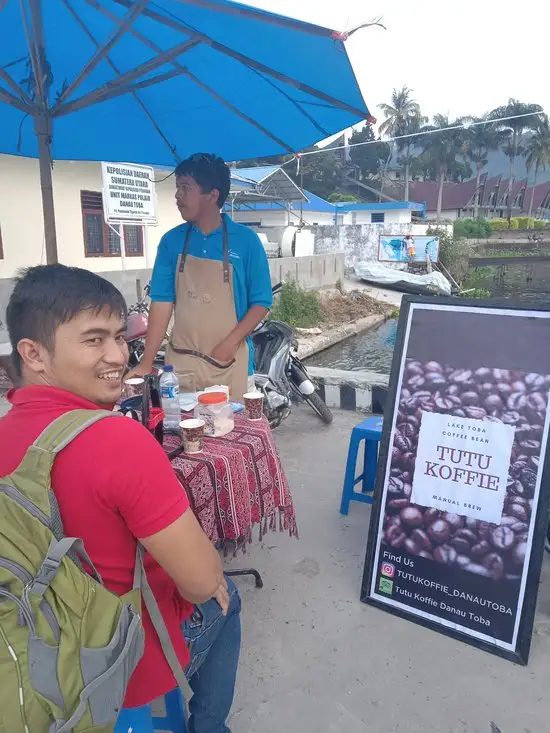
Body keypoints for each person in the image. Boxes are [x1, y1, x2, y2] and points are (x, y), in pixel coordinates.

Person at [0, 264, 241, 733]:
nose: (117, 355)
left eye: (117, 336)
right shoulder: (117, 440)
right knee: (226, 594)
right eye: (93, 340)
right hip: (116, 661)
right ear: (33, 353)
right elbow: (198, 582)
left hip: (34, 636)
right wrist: (208, 572)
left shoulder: (6, 431)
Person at [132, 153, 273, 401]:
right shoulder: (171, 242)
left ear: (213, 195)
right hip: (182, 365)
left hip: (230, 364)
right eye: (177, 187)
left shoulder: (246, 241)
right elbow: (162, 303)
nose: (177, 195)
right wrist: (145, 363)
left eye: (185, 188)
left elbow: (261, 302)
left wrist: (230, 343)